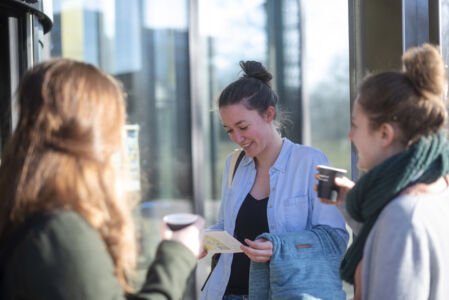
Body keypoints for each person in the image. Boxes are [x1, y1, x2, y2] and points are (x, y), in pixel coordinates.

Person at [0, 58, 205, 300]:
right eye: (117, 125)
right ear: (95, 137)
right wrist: (178, 254)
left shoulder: (29, 217)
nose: (121, 140)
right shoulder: (62, 231)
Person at [200, 61, 349, 300]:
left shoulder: (318, 161)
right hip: (225, 293)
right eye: (229, 130)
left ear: (269, 114)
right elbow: (225, 228)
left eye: (243, 127)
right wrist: (203, 239)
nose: (237, 138)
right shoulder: (232, 163)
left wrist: (279, 247)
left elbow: (337, 239)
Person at [318, 43, 449, 299]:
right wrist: (348, 203)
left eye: (356, 124)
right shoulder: (438, 188)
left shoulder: (403, 217)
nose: (350, 135)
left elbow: (399, 232)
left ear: (385, 134)